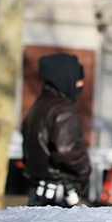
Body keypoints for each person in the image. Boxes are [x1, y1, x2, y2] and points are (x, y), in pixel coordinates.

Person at [21, 52, 92, 207]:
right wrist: (85, 171)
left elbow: (27, 148)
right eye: (78, 79)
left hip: (38, 190)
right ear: (65, 78)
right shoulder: (64, 110)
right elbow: (67, 151)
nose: (80, 84)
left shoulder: (38, 106)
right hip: (60, 194)